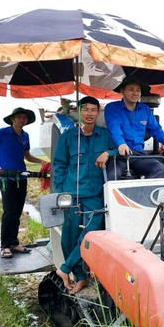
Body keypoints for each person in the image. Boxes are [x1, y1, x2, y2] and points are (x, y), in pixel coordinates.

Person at [52, 96, 116, 294]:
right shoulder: (68, 137)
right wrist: (61, 190)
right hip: (71, 193)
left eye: (93, 110)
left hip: (95, 194)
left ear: (98, 113)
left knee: (89, 234)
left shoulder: (105, 135)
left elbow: (118, 148)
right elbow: (59, 165)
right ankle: (79, 277)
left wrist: (108, 153)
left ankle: (64, 268)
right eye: (85, 109)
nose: (89, 113)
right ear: (79, 112)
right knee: (68, 238)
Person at [0, 107, 47, 259]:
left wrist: (42, 161)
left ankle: (14, 243)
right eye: (19, 117)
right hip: (6, 179)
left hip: (21, 178)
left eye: (25, 117)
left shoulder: (25, 135)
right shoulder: (1, 132)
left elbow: (27, 156)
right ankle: (4, 246)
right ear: (12, 119)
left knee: (17, 211)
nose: (22, 119)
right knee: (9, 211)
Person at [104, 75, 164, 179]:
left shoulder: (145, 110)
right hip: (118, 155)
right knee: (112, 175)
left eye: (138, 90)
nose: (135, 93)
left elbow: (156, 130)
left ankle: (143, 194)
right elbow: (114, 128)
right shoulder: (112, 108)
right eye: (131, 89)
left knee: (161, 169)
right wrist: (121, 144)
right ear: (122, 91)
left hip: (138, 155)